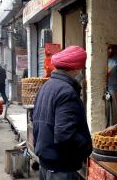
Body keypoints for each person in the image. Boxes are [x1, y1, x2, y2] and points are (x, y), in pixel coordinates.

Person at [33, 46, 92, 180]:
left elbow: (35, 120)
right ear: (75, 68)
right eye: (82, 68)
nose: (81, 72)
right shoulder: (66, 92)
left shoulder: (46, 87)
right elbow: (64, 135)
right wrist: (86, 145)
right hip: (61, 168)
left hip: (46, 163)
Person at [106, 45, 117, 126]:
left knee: (112, 116)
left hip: (112, 90)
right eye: (108, 48)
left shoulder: (115, 60)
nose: (110, 50)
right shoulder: (99, 59)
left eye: (111, 48)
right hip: (100, 90)